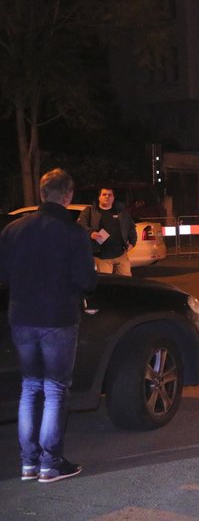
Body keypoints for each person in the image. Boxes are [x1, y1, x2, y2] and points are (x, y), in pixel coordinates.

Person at [0, 168, 97, 483]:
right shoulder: (73, 234)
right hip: (58, 318)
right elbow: (86, 280)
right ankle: (50, 463)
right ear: (67, 196)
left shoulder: (13, 231)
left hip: (22, 317)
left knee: (30, 386)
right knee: (55, 389)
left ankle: (28, 463)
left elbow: (3, 275)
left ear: (42, 194)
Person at [77, 188, 138, 276]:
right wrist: (90, 233)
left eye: (110, 195)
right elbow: (80, 225)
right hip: (102, 257)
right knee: (107, 284)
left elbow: (131, 228)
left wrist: (132, 243)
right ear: (99, 197)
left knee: (126, 284)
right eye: (104, 194)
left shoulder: (121, 212)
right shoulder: (90, 211)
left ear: (113, 198)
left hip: (121, 255)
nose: (107, 197)